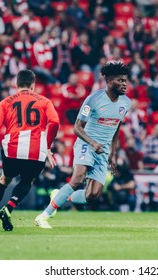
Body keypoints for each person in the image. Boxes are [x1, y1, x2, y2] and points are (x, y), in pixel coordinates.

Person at [35, 61, 131, 229]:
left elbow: (117, 127)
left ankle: (60, 195)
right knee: (78, 178)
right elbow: (77, 128)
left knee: (92, 195)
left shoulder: (126, 103)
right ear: (109, 81)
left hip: (103, 150)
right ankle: (44, 216)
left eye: (125, 80)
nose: (124, 84)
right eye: (120, 80)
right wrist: (93, 143)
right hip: (87, 143)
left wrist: (113, 153)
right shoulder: (93, 99)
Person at [0, 69, 60, 231]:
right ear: (33, 85)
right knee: (27, 180)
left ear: (16, 84)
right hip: (36, 149)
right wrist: (47, 146)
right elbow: (55, 122)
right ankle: (9, 207)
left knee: (4, 180)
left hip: (12, 148)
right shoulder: (45, 101)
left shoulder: (5, 102)